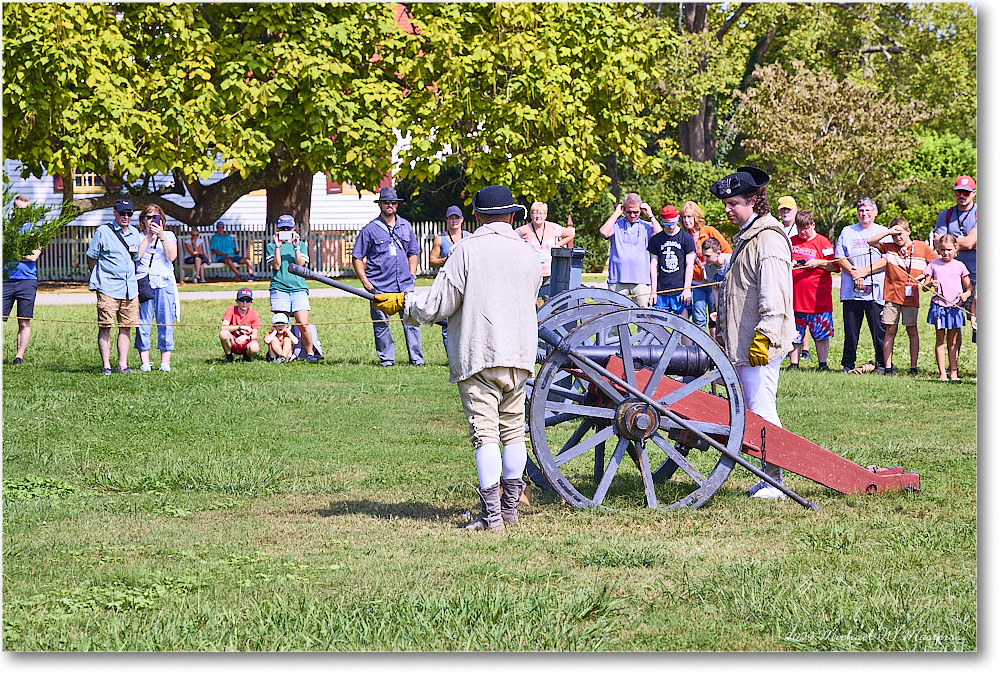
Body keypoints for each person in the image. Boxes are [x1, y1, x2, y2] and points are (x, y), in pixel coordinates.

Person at [371, 185, 542, 532]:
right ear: (511, 216)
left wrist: (404, 303)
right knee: (513, 434)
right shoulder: (529, 254)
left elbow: (438, 305)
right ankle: (509, 511)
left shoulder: (466, 250)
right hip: (520, 355)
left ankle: (493, 517)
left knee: (486, 435)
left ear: (477, 216)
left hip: (479, 355)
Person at [709, 166, 796, 500]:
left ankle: (775, 480)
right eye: (727, 204)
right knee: (752, 407)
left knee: (761, 407)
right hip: (742, 341)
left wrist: (767, 334)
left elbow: (775, 294)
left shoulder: (769, 240)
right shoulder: (749, 237)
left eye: (733, 204)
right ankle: (766, 475)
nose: (728, 210)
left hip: (758, 343)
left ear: (754, 202)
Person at [351, 187, 424, 367]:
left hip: (405, 284)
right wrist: (365, 282)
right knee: (381, 325)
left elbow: (413, 252)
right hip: (380, 285)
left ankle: (417, 360)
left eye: (393, 202)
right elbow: (357, 257)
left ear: (397, 205)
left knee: (411, 322)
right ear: (380, 205)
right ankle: (387, 360)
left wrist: (412, 274)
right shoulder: (370, 229)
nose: (390, 205)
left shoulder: (406, 226)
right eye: (386, 202)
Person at [866, 217, 938, 376]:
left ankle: (913, 367)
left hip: (911, 296)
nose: (897, 238)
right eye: (894, 235)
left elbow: (937, 265)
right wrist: (889, 232)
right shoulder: (889, 247)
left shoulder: (921, 246)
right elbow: (870, 241)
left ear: (908, 231)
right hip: (892, 295)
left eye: (900, 234)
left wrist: (925, 278)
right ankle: (888, 366)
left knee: (912, 330)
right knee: (890, 329)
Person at [86, 198, 142, 374]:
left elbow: (135, 259)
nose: (126, 217)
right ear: (114, 213)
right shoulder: (103, 231)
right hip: (108, 287)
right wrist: (99, 278)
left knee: (126, 327)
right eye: (122, 213)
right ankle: (106, 366)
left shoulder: (134, 233)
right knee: (106, 326)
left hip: (129, 288)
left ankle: (122, 365)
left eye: (129, 214)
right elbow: (92, 257)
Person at [835, 198, 888, 373]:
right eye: (860, 210)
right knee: (851, 331)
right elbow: (840, 257)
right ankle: (848, 364)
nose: (864, 214)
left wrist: (864, 272)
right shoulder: (847, 231)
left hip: (876, 290)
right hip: (851, 291)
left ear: (875, 212)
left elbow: (887, 259)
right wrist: (854, 273)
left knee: (879, 330)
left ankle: (882, 364)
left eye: (867, 210)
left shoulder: (883, 232)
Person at [917, 235, 972, 381]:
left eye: (949, 250)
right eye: (942, 250)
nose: (946, 253)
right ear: (938, 249)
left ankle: (953, 371)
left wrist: (966, 295)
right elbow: (924, 288)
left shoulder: (959, 265)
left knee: (953, 341)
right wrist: (930, 285)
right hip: (939, 307)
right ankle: (942, 373)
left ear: (955, 249)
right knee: (940, 339)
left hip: (954, 306)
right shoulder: (933, 264)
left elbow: (969, 288)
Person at [787, 210, 837, 371]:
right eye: (800, 228)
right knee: (795, 334)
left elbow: (835, 266)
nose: (803, 232)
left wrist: (818, 263)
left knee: (822, 334)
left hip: (818, 299)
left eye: (806, 228)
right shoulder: (790, 242)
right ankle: (794, 363)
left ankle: (823, 364)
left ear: (813, 225)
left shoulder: (823, 243)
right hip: (795, 298)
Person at [134, 204, 180, 372]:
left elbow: (171, 256)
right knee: (143, 322)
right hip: (145, 282)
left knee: (165, 322)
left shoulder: (168, 235)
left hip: (164, 282)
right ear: (142, 220)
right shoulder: (138, 236)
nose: (152, 221)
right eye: (149, 217)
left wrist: (160, 235)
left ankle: (164, 362)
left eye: (156, 217)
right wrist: (148, 236)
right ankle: (145, 362)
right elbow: (137, 256)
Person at [266, 214, 317, 362]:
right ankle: (281, 355)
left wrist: (296, 247)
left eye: (289, 228)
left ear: (294, 228)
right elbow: (276, 265)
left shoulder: (301, 245)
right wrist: (277, 247)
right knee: (281, 326)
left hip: (298, 289)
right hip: (279, 288)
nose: (286, 230)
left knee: (303, 324)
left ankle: (310, 354)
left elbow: (300, 264)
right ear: (278, 229)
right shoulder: (271, 246)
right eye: (283, 228)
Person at [933, 175, 976, 346]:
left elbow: (971, 241)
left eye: (966, 192)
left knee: (979, 323)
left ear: (973, 193)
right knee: (953, 326)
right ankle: (953, 370)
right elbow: (938, 242)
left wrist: (950, 242)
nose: (962, 196)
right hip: (950, 276)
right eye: (959, 192)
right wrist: (966, 242)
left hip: (976, 274)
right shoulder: (946, 214)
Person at [600, 193, 661, 307]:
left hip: (641, 280)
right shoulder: (616, 225)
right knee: (614, 316)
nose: (632, 215)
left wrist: (650, 215)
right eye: (629, 212)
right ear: (624, 209)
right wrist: (616, 213)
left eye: (636, 212)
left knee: (645, 318)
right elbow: (604, 232)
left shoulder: (646, 226)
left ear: (640, 210)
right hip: (617, 279)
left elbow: (660, 236)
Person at [679, 200, 732, 332]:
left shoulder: (709, 231)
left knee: (715, 316)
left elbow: (727, 252)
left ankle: (715, 347)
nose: (686, 220)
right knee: (698, 317)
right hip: (696, 282)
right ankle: (700, 348)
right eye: (684, 217)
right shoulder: (684, 236)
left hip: (713, 280)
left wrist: (711, 264)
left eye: (689, 216)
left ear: (696, 216)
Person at [2, 195, 41, 365]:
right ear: (13, 209)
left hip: (27, 281)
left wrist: (13, 253)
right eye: (18, 209)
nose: (20, 213)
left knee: (24, 321)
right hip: (5, 280)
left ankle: (19, 357)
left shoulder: (35, 231)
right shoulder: (5, 229)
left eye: (24, 210)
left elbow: (33, 257)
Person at [429, 205, 470, 353]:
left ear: (462, 219)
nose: (454, 221)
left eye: (457, 218)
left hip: (466, 284)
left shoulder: (469, 237)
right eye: (451, 218)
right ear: (447, 220)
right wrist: (446, 260)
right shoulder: (440, 239)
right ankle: (451, 356)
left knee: (467, 321)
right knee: (447, 322)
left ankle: (465, 354)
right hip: (447, 283)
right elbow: (431, 261)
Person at [515, 201, 575, 298]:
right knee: (532, 299)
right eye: (534, 213)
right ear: (531, 215)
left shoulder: (552, 227)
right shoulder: (523, 230)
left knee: (549, 300)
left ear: (545, 215)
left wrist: (558, 245)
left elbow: (570, 234)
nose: (538, 216)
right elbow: (512, 240)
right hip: (531, 272)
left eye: (540, 213)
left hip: (549, 270)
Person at [647, 204, 695, 317]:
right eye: (667, 224)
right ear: (662, 221)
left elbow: (689, 265)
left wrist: (687, 289)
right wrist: (653, 291)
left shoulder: (686, 238)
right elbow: (653, 265)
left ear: (678, 218)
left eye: (673, 223)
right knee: (658, 329)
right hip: (661, 291)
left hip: (680, 291)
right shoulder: (656, 240)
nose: (671, 227)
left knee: (683, 326)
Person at [776, 195, 805, 358]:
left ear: (795, 210)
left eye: (788, 209)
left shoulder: (800, 228)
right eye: (783, 209)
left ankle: (804, 348)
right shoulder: (777, 227)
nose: (786, 212)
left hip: (799, 276)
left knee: (801, 311)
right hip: (782, 274)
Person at [220, 287, 262, 362]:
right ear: (237, 301)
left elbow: (255, 335)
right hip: (233, 341)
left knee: (254, 348)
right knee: (223, 334)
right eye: (242, 300)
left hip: (246, 341)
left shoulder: (254, 314)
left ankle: (247, 355)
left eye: (248, 300)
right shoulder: (231, 309)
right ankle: (229, 357)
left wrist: (246, 337)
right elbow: (223, 327)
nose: (245, 303)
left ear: (251, 302)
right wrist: (240, 327)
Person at [701, 237, 731, 341]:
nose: (704, 258)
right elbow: (714, 288)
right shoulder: (708, 266)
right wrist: (718, 309)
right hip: (720, 297)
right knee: (714, 322)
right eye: (703, 255)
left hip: (733, 299)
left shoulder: (732, 262)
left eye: (708, 256)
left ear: (718, 253)